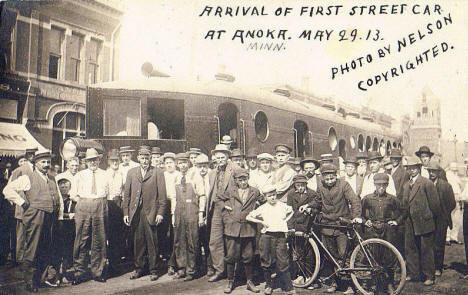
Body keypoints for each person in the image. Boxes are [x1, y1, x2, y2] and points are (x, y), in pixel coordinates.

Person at [3, 150, 62, 292]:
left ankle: (40, 279)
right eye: (43, 162)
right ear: (36, 163)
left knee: (45, 248)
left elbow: (58, 197)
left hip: (50, 216)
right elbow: (7, 190)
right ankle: (29, 281)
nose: (46, 165)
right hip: (35, 216)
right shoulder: (28, 177)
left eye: (48, 162)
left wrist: (59, 215)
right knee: (32, 249)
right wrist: (22, 203)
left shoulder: (52, 178)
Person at [123, 146, 167, 281]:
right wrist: (126, 213)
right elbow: (127, 195)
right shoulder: (131, 172)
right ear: (138, 159)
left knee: (152, 242)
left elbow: (162, 196)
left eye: (147, 158)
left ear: (150, 159)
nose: (144, 161)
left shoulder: (157, 172)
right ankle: (139, 268)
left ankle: (154, 270)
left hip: (151, 212)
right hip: (136, 212)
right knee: (138, 241)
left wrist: (160, 213)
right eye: (142, 158)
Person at [316, 163, 362, 294]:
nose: (329, 181)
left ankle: (349, 286)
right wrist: (309, 206)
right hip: (326, 226)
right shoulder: (320, 186)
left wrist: (356, 216)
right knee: (330, 256)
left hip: (342, 226)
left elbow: (354, 201)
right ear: (323, 178)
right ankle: (335, 283)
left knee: (344, 256)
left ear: (336, 176)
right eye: (327, 179)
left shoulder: (344, 185)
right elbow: (318, 202)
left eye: (332, 178)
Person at [216, 168, 260, 293]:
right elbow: (218, 199)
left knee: (249, 256)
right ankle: (230, 282)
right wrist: (226, 212)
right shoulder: (230, 191)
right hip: (232, 228)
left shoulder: (255, 192)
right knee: (231, 256)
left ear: (248, 179)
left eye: (245, 179)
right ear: (235, 180)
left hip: (248, 228)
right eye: (240, 180)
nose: (243, 182)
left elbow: (263, 201)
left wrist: (256, 211)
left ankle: (249, 282)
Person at [246, 184, 296, 295]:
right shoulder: (263, 208)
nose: (272, 198)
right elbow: (248, 216)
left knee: (283, 261)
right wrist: (262, 222)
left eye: (274, 195)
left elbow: (292, 211)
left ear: (276, 195)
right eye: (269, 196)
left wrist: (285, 221)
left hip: (280, 237)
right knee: (266, 261)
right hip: (266, 236)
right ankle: (269, 285)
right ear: (265, 197)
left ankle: (288, 287)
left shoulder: (282, 206)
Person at [70, 148, 109, 285]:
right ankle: (79, 272)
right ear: (86, 162)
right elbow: (73, 194)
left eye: (95, 160)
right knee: (82, 239)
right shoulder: (79, 175)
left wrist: (99, 202)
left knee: (99, 239)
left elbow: (109, 193)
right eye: (90, 160)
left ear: (99, 160)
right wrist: (84, 202)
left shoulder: (105, 174)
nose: (93, 162)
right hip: (83, 205)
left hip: (100, 205)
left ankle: (97, 272)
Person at [361, 173, 404, 294]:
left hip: (387, 230)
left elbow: (403, 211)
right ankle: (374, 284)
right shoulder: (367, 198)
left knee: (389, 258)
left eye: (384, 185)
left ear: (387, 185)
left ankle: (389, 283)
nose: (381, 187)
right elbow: (360, 212)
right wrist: (365, 221)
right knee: (374, 257)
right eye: (378, 185)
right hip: (373, 230)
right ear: (374, 184)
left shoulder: (392, 199)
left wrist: (396, 221)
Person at [402, 156, 441, 286]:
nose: (411, 171)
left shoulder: (426, 183)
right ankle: (414, 274)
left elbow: (435, 206)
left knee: (426, 250)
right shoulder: (406, 185)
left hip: (424, 222)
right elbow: (404, 204)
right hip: (410, 222)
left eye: (414, 168)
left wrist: (430, 218)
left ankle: (429, 276)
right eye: (409, 168)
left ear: (419, 168)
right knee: (411, 248)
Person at [171, 152, 205, 281]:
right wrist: (173, 214)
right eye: (180, 163)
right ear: (177, 164)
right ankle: (181, 268)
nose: (182, 165)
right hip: (179, 212)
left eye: (185, 162)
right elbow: (174, 198)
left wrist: (201, 213)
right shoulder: (176, 177)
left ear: (189, 163)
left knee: (192, 241)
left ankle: (192, 270)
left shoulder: (195, 176)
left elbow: (202, 195)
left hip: (192, 212)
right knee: (179, 241)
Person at [208, 144, 238, 282]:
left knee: (231, 241)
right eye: (217, 157)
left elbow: (240, 190)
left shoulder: (236, 169)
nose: (219, 159)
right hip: (216, 209)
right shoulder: (213, 172)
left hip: (230, 209)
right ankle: (220, 270)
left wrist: (231, 204)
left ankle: (235, 272)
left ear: (227, 156)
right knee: (214, 241)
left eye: (222, 157)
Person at [286, 175, 322, 286]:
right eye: (298, 185)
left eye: (302, 185)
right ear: (294, 185)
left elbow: (318, 207)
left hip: (308, 226)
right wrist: (290, 227)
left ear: (306, 184)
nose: (300, 187)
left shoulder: (312, 194)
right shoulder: (291, 194)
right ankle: (300, 275)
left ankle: (310, 276)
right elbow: (289, 211)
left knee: (310, 253)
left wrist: (311, 209)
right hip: (296, 226)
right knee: (298, 252)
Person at [8, 147, 37, 267]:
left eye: (34, 154)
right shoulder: (19, 171)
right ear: (28, 156)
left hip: (35, 208)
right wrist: (19, 202)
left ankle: (29, 258)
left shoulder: (38, 170)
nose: (32, 157)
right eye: (31, 155)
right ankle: (20, 259)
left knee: (32, 234)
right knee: (21, 234)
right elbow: (10, 189)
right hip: (23, 208)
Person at [427, 161, 456, 276]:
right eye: (430, 171)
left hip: (441, 219)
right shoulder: (426, 184)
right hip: (429, 218)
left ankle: (438, 267)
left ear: (438, 172)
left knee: (439, 243)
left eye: (434, 171)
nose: (432, 173)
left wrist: (444, 214)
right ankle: (429, 266)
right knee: (429, 243)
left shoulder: (445, 186)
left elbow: (452, 203)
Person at [193, 153, 213, 276]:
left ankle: (211, 266)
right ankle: (200, 265)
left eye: (204, 166)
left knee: (209, 240)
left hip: (210, 210)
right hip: (197, 210)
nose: (202, 169)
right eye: (200, 166)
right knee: (198, 239)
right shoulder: (194, 177)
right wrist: (200, 214)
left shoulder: (212, 175)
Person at [105, 148, 125, 275]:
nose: (115, 163)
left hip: (119, 205)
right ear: (108, 161)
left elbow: (123, 190)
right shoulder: (105, 174)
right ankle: (109, 264)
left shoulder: (121, 174)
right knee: (109, 235)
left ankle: (115, 264)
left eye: (117, 160)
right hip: (108, 204)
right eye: (112, 160)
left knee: (118, 236)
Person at [162, 152, 181, 274]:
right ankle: (165, 259)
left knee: (175, 233)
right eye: (167, 163)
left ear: (175, 163)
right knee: (164, 233)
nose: (169, 165)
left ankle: (173, 263)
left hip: (175, 203)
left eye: (171, 162)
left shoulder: (178, 175)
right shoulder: (162, 175)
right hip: (164, 204)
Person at [56, 175, 76, 283]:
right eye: (62, 186)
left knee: (67, 252)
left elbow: (76, 214)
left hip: (69, 229)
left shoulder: (72, 200)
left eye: (66, 187)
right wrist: (67, 215)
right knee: (58, 251)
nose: (64, 188)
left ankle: (64, 273)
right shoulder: (57, 200)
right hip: (58, 228)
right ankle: (57, 275)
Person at [445, 162, 463, 244]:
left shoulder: (457, 176)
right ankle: (447, 237)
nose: (454, 170)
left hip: (458, 197)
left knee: (457, 218)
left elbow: (461, 186)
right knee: (449, 217)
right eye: (453, 168)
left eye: (455, 168)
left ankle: (454, 237)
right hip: (450, 197)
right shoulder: (448, 175)